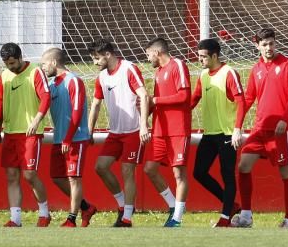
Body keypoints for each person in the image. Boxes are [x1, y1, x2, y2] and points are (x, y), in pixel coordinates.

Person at [231, 28, 288, 228]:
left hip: (280, 130)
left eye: (271, 43)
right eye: (264, 44)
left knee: (285, 173)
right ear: (257, 45)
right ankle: (245, 216)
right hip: (260, 129)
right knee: (243, 166)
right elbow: (248, 98)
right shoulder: (256, 69)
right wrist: (237, 127)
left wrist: (284, 119)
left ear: (275, 43)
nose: (268, 48)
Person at [87, 39, 150, 227]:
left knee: (127, 171)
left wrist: (144, 125)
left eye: (97, 58)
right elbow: (96, 104)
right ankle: (122, 205)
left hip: (133, 131)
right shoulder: (102, 77)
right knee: (100, 167)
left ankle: (127, 217)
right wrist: (89, 130)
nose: (95, 63)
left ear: (107, 54)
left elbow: (144, 95)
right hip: (114, 133)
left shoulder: (128, 68)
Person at [189, 38, 244, 227]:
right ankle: (231, 206)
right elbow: (193, 99)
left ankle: (225, 218)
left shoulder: (229, 73)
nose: (200, 60)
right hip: (210, 133)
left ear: (215, 55)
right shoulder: (203, 75)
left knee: (227, 174)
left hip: (228, 133)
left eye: (203, 57)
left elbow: (241, 101)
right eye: (199, 56)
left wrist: (237, 129)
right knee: (199, 172)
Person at [41, 47, 97, 227]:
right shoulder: (50, 86)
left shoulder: (74, 81)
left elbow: (77, 110)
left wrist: (68, 138)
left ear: (53, 62)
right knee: (57, 177)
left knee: (74, 178)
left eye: (44, 64)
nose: (43, 68)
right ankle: (86, 207)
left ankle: (71, 218)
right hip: (59, 139)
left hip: (75, 139)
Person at [0, 42, 52, 227]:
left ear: (20, 58)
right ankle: (15, 219)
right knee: (12, 176)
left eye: (12, 63)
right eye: (7, 64)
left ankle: (44, 212)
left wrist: (36, 120)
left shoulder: (35, 72)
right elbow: (0, 102)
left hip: (30, 133)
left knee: (29, 175)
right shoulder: (4, 75)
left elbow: (46, 96)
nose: (10, 67)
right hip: (10, 132)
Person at [144, 38, 191, 227]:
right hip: (159, 130)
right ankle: (173, 205)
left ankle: (177, 218)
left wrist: (155, 101)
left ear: (156, 52)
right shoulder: (158, 72)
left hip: (178, 129)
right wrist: (144, 113)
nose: (148, 59)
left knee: (178, 174)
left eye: (148, 55)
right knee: (150, 169)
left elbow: (184, 96)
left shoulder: (177, 65)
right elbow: (156, 101)